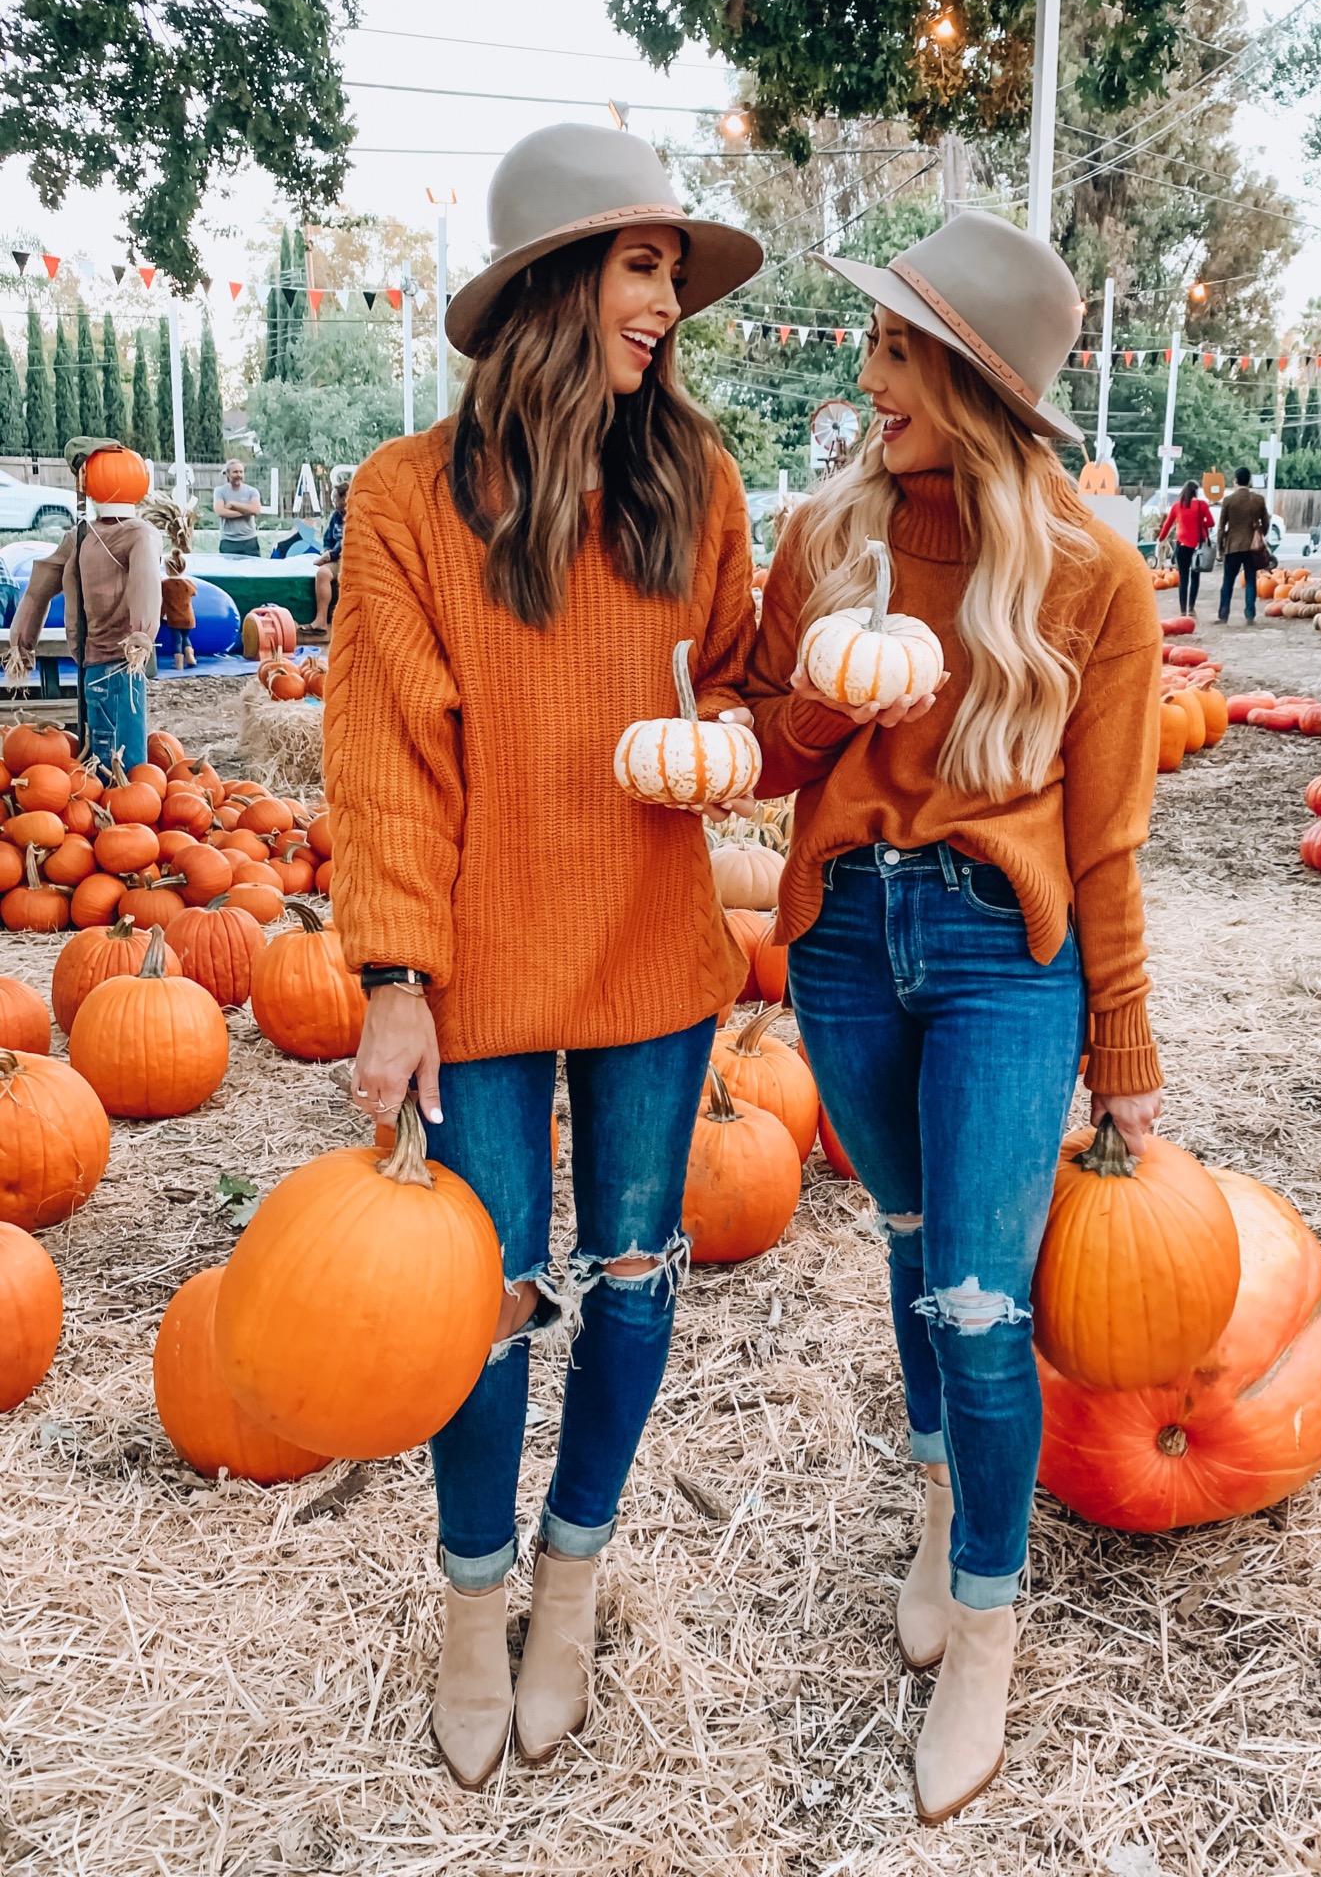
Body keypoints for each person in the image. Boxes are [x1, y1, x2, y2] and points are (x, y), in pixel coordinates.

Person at [324, 122, 762, 1791]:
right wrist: (388, 977)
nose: (665, 300)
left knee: (635, 1278)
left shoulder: (696, 482)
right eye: (641, 265)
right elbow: (383, 753)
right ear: (553, 283)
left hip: (651, 953)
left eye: (670, 271)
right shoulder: (404, 500)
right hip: (484, 968)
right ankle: (471, 1597)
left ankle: (569, 1577)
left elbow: (730, 675)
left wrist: (734, 726)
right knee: (489, 1304)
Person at [744, 211, 1163, 1826]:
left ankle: (983, 1621)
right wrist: (814, 710)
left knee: (984, 1306)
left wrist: (1119, 1050)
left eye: (905, 351)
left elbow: (1106, 835)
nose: (871, 375)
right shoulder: (825, 530)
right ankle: (933, 1510)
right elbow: (769, 754)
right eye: (875, 343)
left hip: (1002, 952)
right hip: (844, 938)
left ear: (979, 382)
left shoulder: (1086, 572)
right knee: (913, 1252)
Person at [9, 486, 161, 772]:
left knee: (103, 752)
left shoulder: (80, 536)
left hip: (91, 666)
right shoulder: (140, 533)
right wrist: (142, 635)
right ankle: (118, 811)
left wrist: (21, 643)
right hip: (122, 666)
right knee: (121, 765)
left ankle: (110, 803)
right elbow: (147, 583)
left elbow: (37, 589)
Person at [1216, 466, 1269, 622]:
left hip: (1232, 545)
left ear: (1235, 481)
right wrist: (1259, 537)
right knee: (1251, 580)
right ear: (1249, 481)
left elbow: (1221, 527)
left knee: (1228, 581)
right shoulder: (1258, 500)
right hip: (1252, 547)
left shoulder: (1228, 500)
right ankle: (1250, 614)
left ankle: (1224, 614)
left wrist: (1220, 548)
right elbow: (1266, 522)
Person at [1158, 478, 1214, 616]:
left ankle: (1182, 610)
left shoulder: (1177, 506)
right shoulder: (1202, 505)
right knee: (1195, 576)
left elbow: (1168, 524)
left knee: (1183, 577)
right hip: (1198, 546)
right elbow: (1211, 522)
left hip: (1182, 545)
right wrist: (1202, 524)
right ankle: (1191, 607)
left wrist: (1161, 538)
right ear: (1196, 491)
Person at [311, 466, 351, 632]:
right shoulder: (336, 516)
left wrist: (330, 555)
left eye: (336, 498)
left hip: (352, 559)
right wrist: (326, 551)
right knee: (323, 573)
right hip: (336, 559)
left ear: (345, 498)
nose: (334, 501)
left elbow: (346, 540)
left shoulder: (357, 514)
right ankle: (321, 621)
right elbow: (328, 537)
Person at [213, 459, 262, 556]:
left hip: (250, 541)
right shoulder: (220, 491)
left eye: (241, 472)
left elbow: (256, 510)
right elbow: (220, 511)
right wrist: (245, 512)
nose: (238, 475)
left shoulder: (252, 491)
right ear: (228, 474)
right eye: (235, 472)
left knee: (253, 570)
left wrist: (233, 504)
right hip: (228, 541)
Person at [161, 546, 197, 669]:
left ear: (168, 569)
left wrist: (159, 616)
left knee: (177, 640)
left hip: (174, 618)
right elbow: (194, 591)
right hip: (188, 618)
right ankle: (191, 658)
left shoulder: (166, 584)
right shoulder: (188, 584)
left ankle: (179, 663)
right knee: (186, 637)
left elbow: (164, 602)